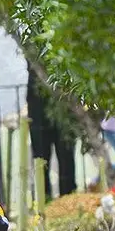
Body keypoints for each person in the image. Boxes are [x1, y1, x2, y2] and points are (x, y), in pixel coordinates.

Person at [27, 61, 76, 199]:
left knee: (66, 156)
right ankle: (45, 200)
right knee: (41, 160)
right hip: (38, 105)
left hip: (62, 102)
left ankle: (68, 198)